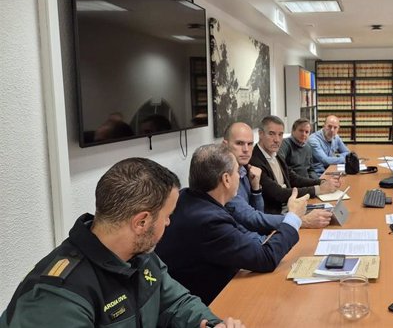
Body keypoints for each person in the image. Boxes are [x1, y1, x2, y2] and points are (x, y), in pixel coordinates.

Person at [0, 158, 243, 328]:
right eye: (168, 215)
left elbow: (178, 304)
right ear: (142, 222)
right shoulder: (59, 297)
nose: (169, 223)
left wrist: (212, 324)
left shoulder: (140, 256)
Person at [155, 144, 306, 305]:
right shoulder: (209, 221)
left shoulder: (186, 197)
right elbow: (265, 258)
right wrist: (293, 217)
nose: (241, 177)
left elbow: (240, 238)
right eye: (237, 172)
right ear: (226, 179)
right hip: (211, 303)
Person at [224, 121, 332, 229]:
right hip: (272, 221)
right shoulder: (230, 176)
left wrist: (256, 189)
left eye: (250, 144)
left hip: (274, 220)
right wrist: (300, 221)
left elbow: (257, 211)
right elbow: (253, 217)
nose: (246, 149)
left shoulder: (246, 169)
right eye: (239, 143)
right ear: (261, 134)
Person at [251, 116, 340, 214]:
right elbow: (279, 193)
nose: (277, 140)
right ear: (260, 134)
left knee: (331, 213)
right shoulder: (255, 161)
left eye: (280, 134)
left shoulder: (274, 154)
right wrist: (318, 189)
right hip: (278, 213)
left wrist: (321, 182)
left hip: (292, 205)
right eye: (271, 134)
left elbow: (293, 178)